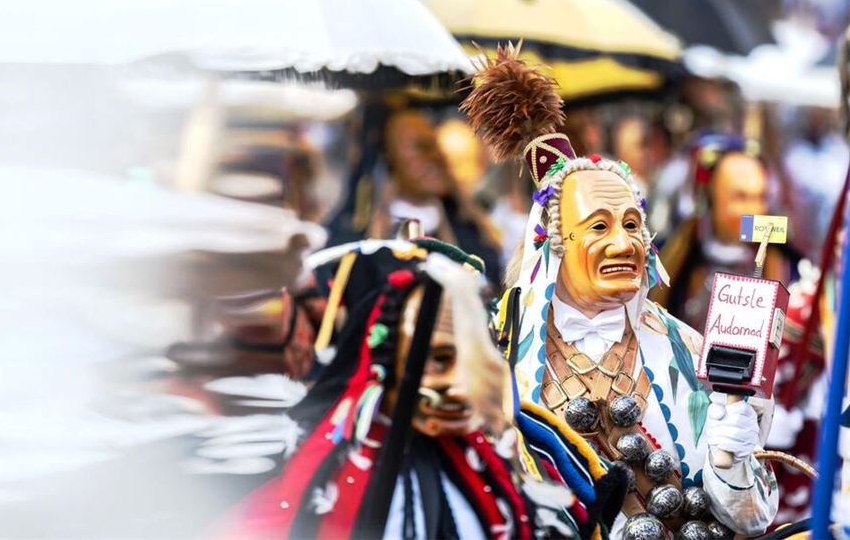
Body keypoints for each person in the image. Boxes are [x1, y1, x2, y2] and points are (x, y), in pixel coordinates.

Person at [461, 44, 779, 539]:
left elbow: (752, 517)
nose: (623, 242)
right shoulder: (496, 348)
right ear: (553, 245)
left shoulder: (689, 351)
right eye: (599, 225)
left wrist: (729, 461)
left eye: (633, 224)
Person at [220, 238, 627, 539]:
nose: (457, 385)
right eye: (437, 361)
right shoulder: (316, 475)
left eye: (469, 361)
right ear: (384, 365)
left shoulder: (510, 463)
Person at [325, 104, 502, 285]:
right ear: (389, 157)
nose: (435, 157)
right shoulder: (354, 240)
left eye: (435, 146)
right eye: (420, 147)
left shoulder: (472, 231)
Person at [650, 133, 800, 330]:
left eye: (761, 197)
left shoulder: (789, 268)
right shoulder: (668, 262)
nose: (754, 210)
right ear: (711, 199)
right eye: (740, 198)